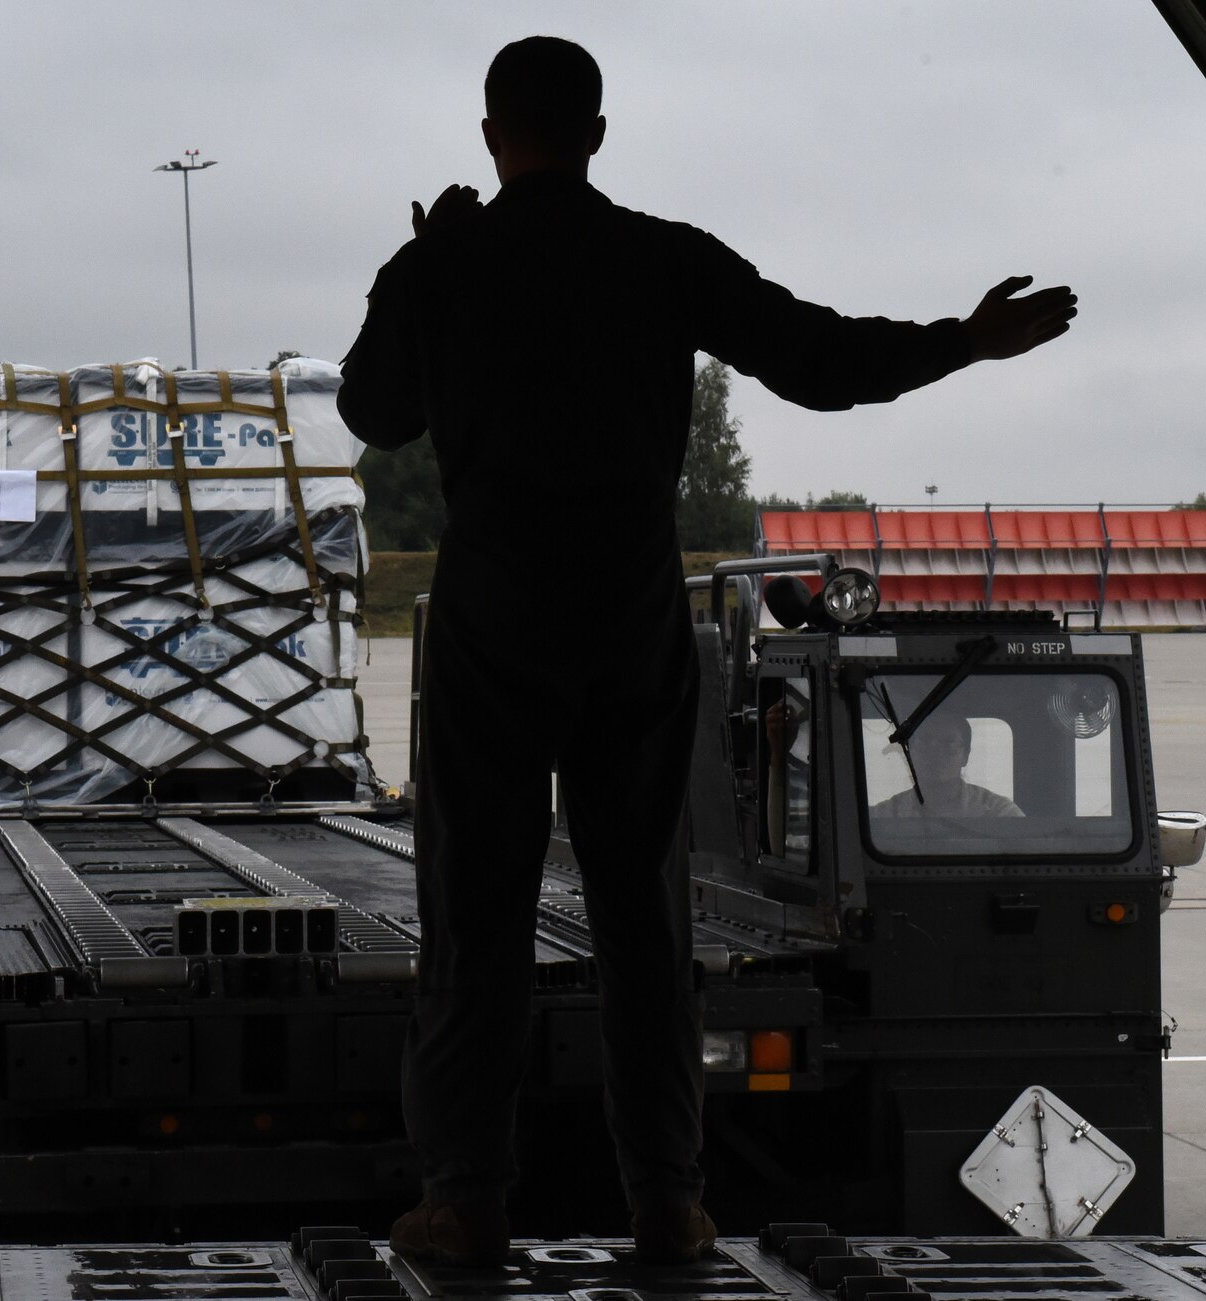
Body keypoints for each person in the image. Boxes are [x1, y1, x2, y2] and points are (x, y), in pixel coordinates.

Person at [335, 35, 1076, 1267]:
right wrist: (963, 337)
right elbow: (822, 360)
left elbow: (374, 411)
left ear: (488, 137)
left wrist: (415, 265)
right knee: (643, 923)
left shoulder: (450, 263)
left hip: (492, 626)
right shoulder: (659, 257)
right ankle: (666, 1199)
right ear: (599, 133)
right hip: (628, 621)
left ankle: (463, 1196)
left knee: (476, 921)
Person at [870, 713, 1024, 818]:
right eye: (924, 743)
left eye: (949, 744)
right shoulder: (883, 815)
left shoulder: (1000, 813)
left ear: (966, 756)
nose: (935, 753)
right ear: (910, 754)